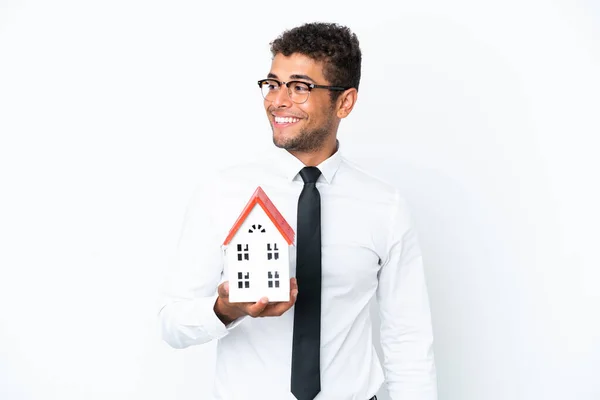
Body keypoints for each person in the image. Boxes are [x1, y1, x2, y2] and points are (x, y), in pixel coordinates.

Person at [158, 22, 437, 400]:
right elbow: (173, 323)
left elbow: (408, 340)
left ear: (345, 102)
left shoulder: (385, 207)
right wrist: (225, 309)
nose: (278, 101)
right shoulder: (221, 194)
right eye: (273, 84)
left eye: (300, 87)